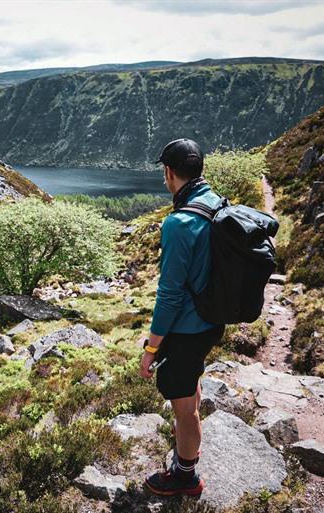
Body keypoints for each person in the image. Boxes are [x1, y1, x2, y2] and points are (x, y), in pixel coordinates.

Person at [137, 138, 225, 496]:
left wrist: (151, 348)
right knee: (191, 386)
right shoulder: (216, 203)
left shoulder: (178, 223)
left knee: (184, 409)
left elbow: (170, 296)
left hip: (187, 329)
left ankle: (185, 477)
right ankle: (189, 448)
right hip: (211, 321)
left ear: (169, 172)